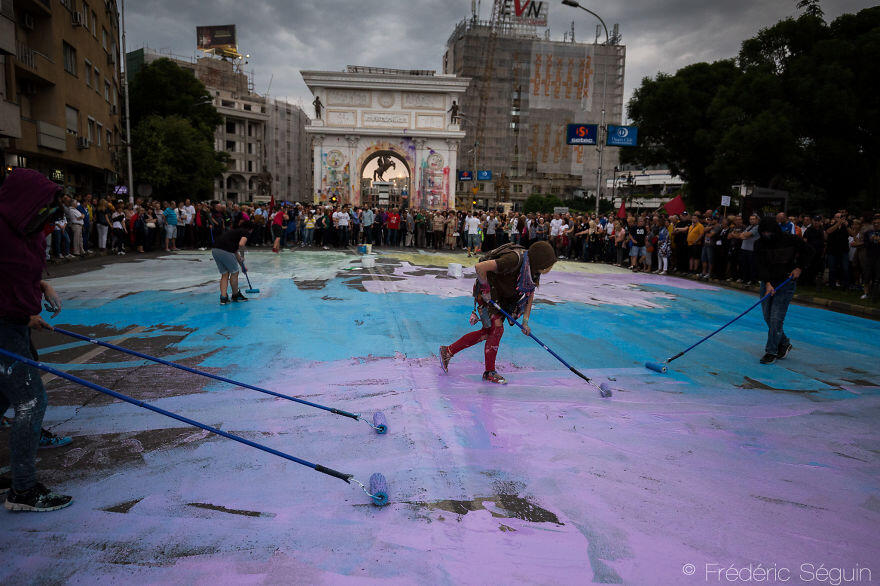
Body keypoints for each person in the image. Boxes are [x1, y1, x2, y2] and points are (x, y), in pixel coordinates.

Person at [0, 169, 74, 512]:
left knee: (2, 399)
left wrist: (39, 290)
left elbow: (15, 276)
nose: (46, 224)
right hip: (2, 327)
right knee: (31, 401)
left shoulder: (24, 234)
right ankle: (24, 491)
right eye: (42, 213)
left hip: (14, 324)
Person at [439, 241, 558, 385]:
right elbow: (480, 267)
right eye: (549, 264)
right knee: (497, 329)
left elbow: (529, 294)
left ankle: (448, 351)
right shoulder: (514, 259)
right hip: (488, 294)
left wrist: (525, 321)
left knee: (488, 332)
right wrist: (485, 288)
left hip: (503, 299)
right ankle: (489, 372)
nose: (550, 268)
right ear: (541, 262)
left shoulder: (533, 270)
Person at [754, 216, 813, 365]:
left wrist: (799, 267)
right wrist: (767, 283)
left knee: (776, 318)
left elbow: (810, 251)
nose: (766, 235)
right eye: (764, 232)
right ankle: (784, 342)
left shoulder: (790, 240)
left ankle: (771, 351)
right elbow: (760, 265)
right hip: (768, 282)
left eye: (769, 232)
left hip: (786, 282)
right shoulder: (759, 244)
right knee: (767, 317)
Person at [211, 220, 254, 305]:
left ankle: (223, 298)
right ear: (251, 229)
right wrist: (243, 256)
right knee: (235, 272)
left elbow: (234, 251)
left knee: (225, 274)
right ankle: (235, 295)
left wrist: (242, 266)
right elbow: (241, 244)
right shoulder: (245, 232)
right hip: (226, 250)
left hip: (215, 250)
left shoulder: (234, 232)